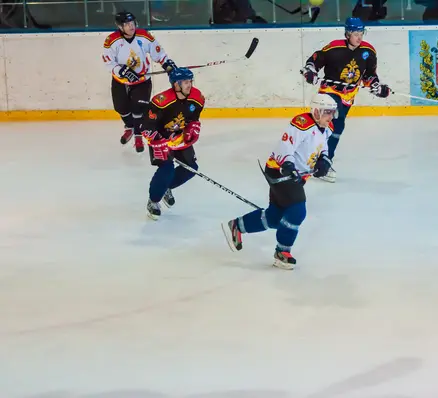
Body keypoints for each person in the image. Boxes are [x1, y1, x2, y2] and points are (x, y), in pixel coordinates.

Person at [221, 94, 336, 270]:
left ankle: (238, 225)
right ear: (316, 111)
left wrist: (325, 160)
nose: (331, 116)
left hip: (298, 176)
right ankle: (282, 252)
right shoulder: (301, 124)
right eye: (327, 112)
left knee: (276, 217)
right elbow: (285, 146)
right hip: (280, 171)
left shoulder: (326, 127)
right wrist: (288, 165)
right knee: (298, 211)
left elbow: (323, 147)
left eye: (332, 112)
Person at [300, 16, 390, 182]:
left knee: (338, 127)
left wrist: (377, 86)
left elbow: (369, 75)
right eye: (356, 33)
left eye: (361, 33)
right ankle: (309, 154)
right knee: (333, 117)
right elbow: (315, 60)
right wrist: (310, 70)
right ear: (347, 34)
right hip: (329, 91)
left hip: (348, 95)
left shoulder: (368, 52)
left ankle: (325, 160)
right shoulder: (334, 48)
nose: (359, 37)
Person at [102, 11, 178, 153]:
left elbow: (159, 54)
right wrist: (123, 71)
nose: (131, 27)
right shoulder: (111, 40)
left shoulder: (144, 36)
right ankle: (129, 127)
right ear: (120, 26)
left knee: (138, 109)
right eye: (127, 24)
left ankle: (138, 135)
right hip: (120, 81)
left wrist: (167, 65)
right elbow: (109, 62)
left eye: (132, 23)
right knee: (121, 109)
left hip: (142, 81)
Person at [140, 68, 205, 220]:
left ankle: (166, 187)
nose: (189, 85)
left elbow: (193, 118)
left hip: (179, 138)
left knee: (191, 168)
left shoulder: (197, 97)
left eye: (190, 81)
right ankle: (154, 201)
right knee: (167, 169)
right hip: (160, 140)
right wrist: (157, 141)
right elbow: (146, 126)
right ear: (176, 84)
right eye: (186, 82)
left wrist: (192, 127)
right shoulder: (161, 101)